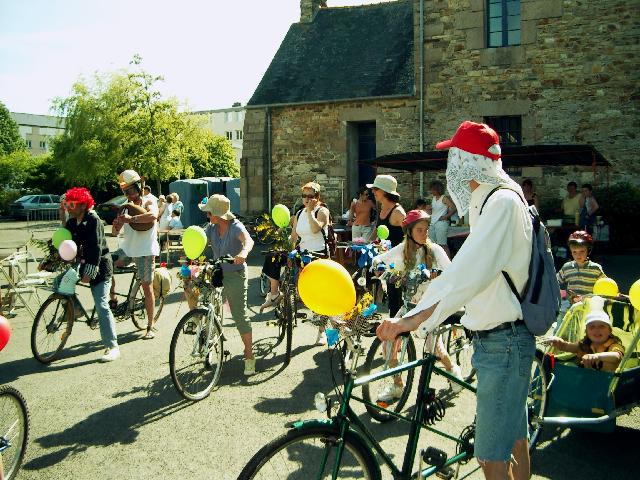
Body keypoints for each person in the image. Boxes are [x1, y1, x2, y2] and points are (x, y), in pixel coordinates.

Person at [377, 121, 534, 480]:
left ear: (469, 161)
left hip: (504, 341)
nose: (451, 165)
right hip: (504, 337)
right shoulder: (497, 198)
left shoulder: (501, 203)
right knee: (515, 442)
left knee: (490, 456)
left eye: (455, 156)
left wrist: (409, 321)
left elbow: (464, 275)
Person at [371, 209, 463, 401]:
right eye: (420, 230)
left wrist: (439, 274)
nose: (425, 233)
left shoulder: (435, 250)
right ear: (409, 232)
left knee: (433, 348)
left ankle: (454, 372)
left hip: (429, 307)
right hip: (409, 305)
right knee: (388, 346)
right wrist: (377, 265)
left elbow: (454, 273)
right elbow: (383, 258)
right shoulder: (403, 248)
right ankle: (397, 386)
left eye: (426, 229)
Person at [260, 181, 330, 344]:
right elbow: (293, 237)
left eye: (310, 196)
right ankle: (275, 293)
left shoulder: (322, 211)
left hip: (318, 254)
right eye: (304, 196)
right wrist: (285, 252)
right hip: (301, 252)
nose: (306, 199)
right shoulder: (299, 213)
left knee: (319, 294)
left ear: (317, 197)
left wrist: (311, 212)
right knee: (273, 256)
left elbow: (314, 229)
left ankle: (322, 332)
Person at [198, 194, 256, 375]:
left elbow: (248, 241)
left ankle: (249, 355)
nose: (207, 216)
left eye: (209, 213)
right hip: (217, 271)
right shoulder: (211, 228)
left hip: (235, 273)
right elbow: (199, 240)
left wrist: (243, 253)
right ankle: (209, 334)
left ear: (218, 214)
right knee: (203, 299)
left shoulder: (235, 227)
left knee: (239, 315)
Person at [63, 187, 120, 362]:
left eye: (72, 204)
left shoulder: (93, 219)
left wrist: (89, 272)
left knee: (101, 304)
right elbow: (65, 242)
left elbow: (95, 249)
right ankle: (77, 310)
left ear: (82, 205)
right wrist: (51, 260)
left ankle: (112, 346)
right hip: (82, 263)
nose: (68, 207)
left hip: (100, 266)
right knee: (61, 283)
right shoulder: (72, 222)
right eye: (67, 204)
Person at [111, 169, 160, 339]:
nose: (128, 194)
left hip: (146, 250)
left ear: (139, 186)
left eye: (131, 190)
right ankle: (113, 298)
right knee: (105, 264)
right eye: (125, 191)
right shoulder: (124, 205)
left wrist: (131, 220)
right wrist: (116, 225)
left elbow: (153, 216)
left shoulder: (149, 201)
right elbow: (114, 233)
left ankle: (150, 325)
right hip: (128, 250)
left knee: (147, 286)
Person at [547, 301, 624, 372]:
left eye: (602, 326)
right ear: (586, 332)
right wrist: (558, 342)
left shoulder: (613, 345)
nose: (596, 330)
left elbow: (616, 356)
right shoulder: (584, 345)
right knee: (569, 365)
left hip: (607, 383)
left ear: (610, 330)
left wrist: (596, 356)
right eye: (592, 327)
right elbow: (565, 346)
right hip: (586, 381)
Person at [369, 174, 406, 317]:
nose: (373, 192)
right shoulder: (382, 208)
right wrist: (367, 243)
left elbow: (410, 237)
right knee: (390, 298)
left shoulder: (398, 212)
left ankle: (398, 333)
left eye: (375, 189)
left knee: (396, 300)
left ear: (384, 191)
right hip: (385, 260)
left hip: (397, 263)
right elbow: (378, 231)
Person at [557, 230, 606, 305]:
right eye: (574, 252)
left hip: (589, 305)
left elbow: (605, 286)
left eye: (582, 251)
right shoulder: (566, 267)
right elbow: (554, 283)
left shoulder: (596, 269)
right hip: (571, 306)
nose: (578, 255)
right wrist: (564, 294)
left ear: (588, 251)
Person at [427, 180, 456, 258]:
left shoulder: (444, 198)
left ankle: (448, 264)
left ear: (438, 189)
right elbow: (433, 211)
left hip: (441, 223)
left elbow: (454, 208)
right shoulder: (433, 198)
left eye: (433, 189)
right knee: (432, 245)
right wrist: (429, 210)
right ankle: (436, 262)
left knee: (442, 244)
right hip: (432, 223)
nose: (431, 191)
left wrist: (445, 217)